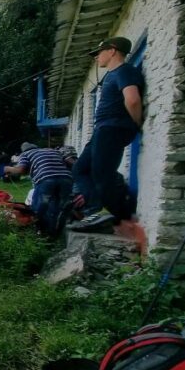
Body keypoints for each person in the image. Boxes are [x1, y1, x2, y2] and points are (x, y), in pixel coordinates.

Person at [69, 37, 145, 236]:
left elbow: (133, 99)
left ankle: (120, 216)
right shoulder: (111, 75)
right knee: (81, 168)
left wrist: (137, 123)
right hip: (103, 129)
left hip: (113, 127)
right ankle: (97, 210)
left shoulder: (125, 71)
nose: (96, 58)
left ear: (112, 51)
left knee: (103, 174)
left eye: (99, 53)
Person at [4, 142, 73, 236]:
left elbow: (21, 170)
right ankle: (54, 234)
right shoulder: (51, 150)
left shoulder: (26, 154)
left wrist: (8, 169)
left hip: (46, 179)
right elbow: (69, 163)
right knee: (59, 208)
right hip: (66, 179)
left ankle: (37, 232)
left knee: (38, 208)